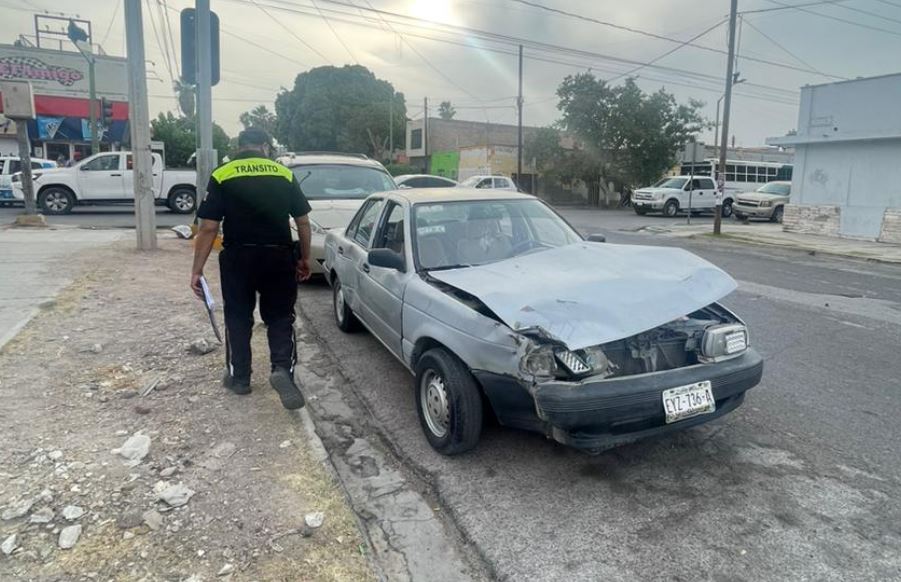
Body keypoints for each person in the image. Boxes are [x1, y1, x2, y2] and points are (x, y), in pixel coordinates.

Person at [190, 128, 312, 409]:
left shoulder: (223, 174)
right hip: (279, 256)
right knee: (281, 316)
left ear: (238, 146)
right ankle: (282, 370)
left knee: (237, 316)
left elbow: (208, 227)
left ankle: (240, 378)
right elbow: (303, 222)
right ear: (265, 147)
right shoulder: (283, 173)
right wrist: (304, 258)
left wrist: (196, 270)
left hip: (238, 258)